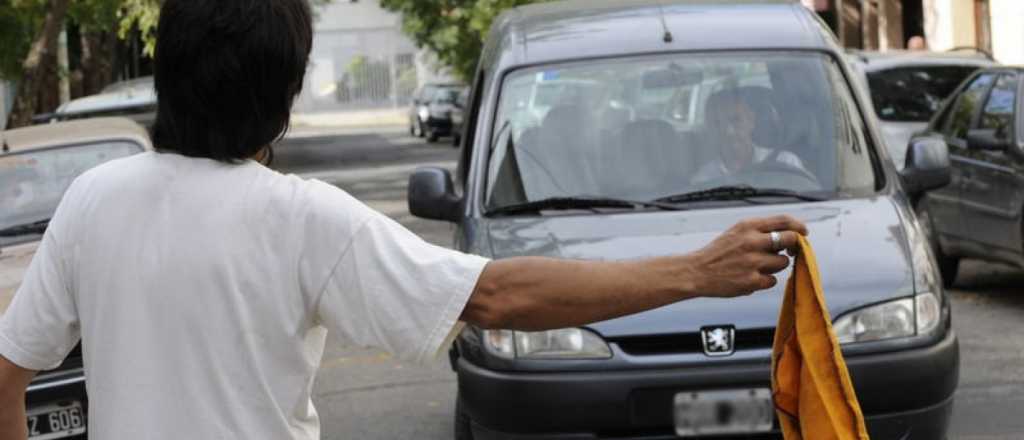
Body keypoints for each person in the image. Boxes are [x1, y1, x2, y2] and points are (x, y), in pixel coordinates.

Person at [0, 0, 808, 438]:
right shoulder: (301, 219)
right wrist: (693, 272)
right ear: (282, 104)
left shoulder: (93, 200)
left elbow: (7, 375)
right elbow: (495, 297)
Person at [691, 89, 811, 184]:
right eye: (717, 123)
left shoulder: (786, 164)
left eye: (736, 120)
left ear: (751, 121)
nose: (729, 132)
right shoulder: (703, 181)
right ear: (710, 131)